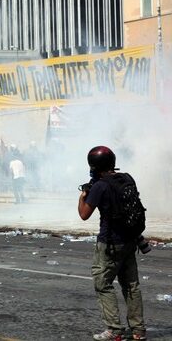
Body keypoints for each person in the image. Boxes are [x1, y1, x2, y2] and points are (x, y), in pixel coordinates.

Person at [78, 146, 147, 341]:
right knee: (131, 285)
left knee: (103, 284)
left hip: (109, 244)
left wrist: (84, 194)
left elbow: (84, 214)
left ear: (93, 165)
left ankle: (114, 330)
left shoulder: (99, 186)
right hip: (130, 240)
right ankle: (138, 331)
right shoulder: (126, 178)